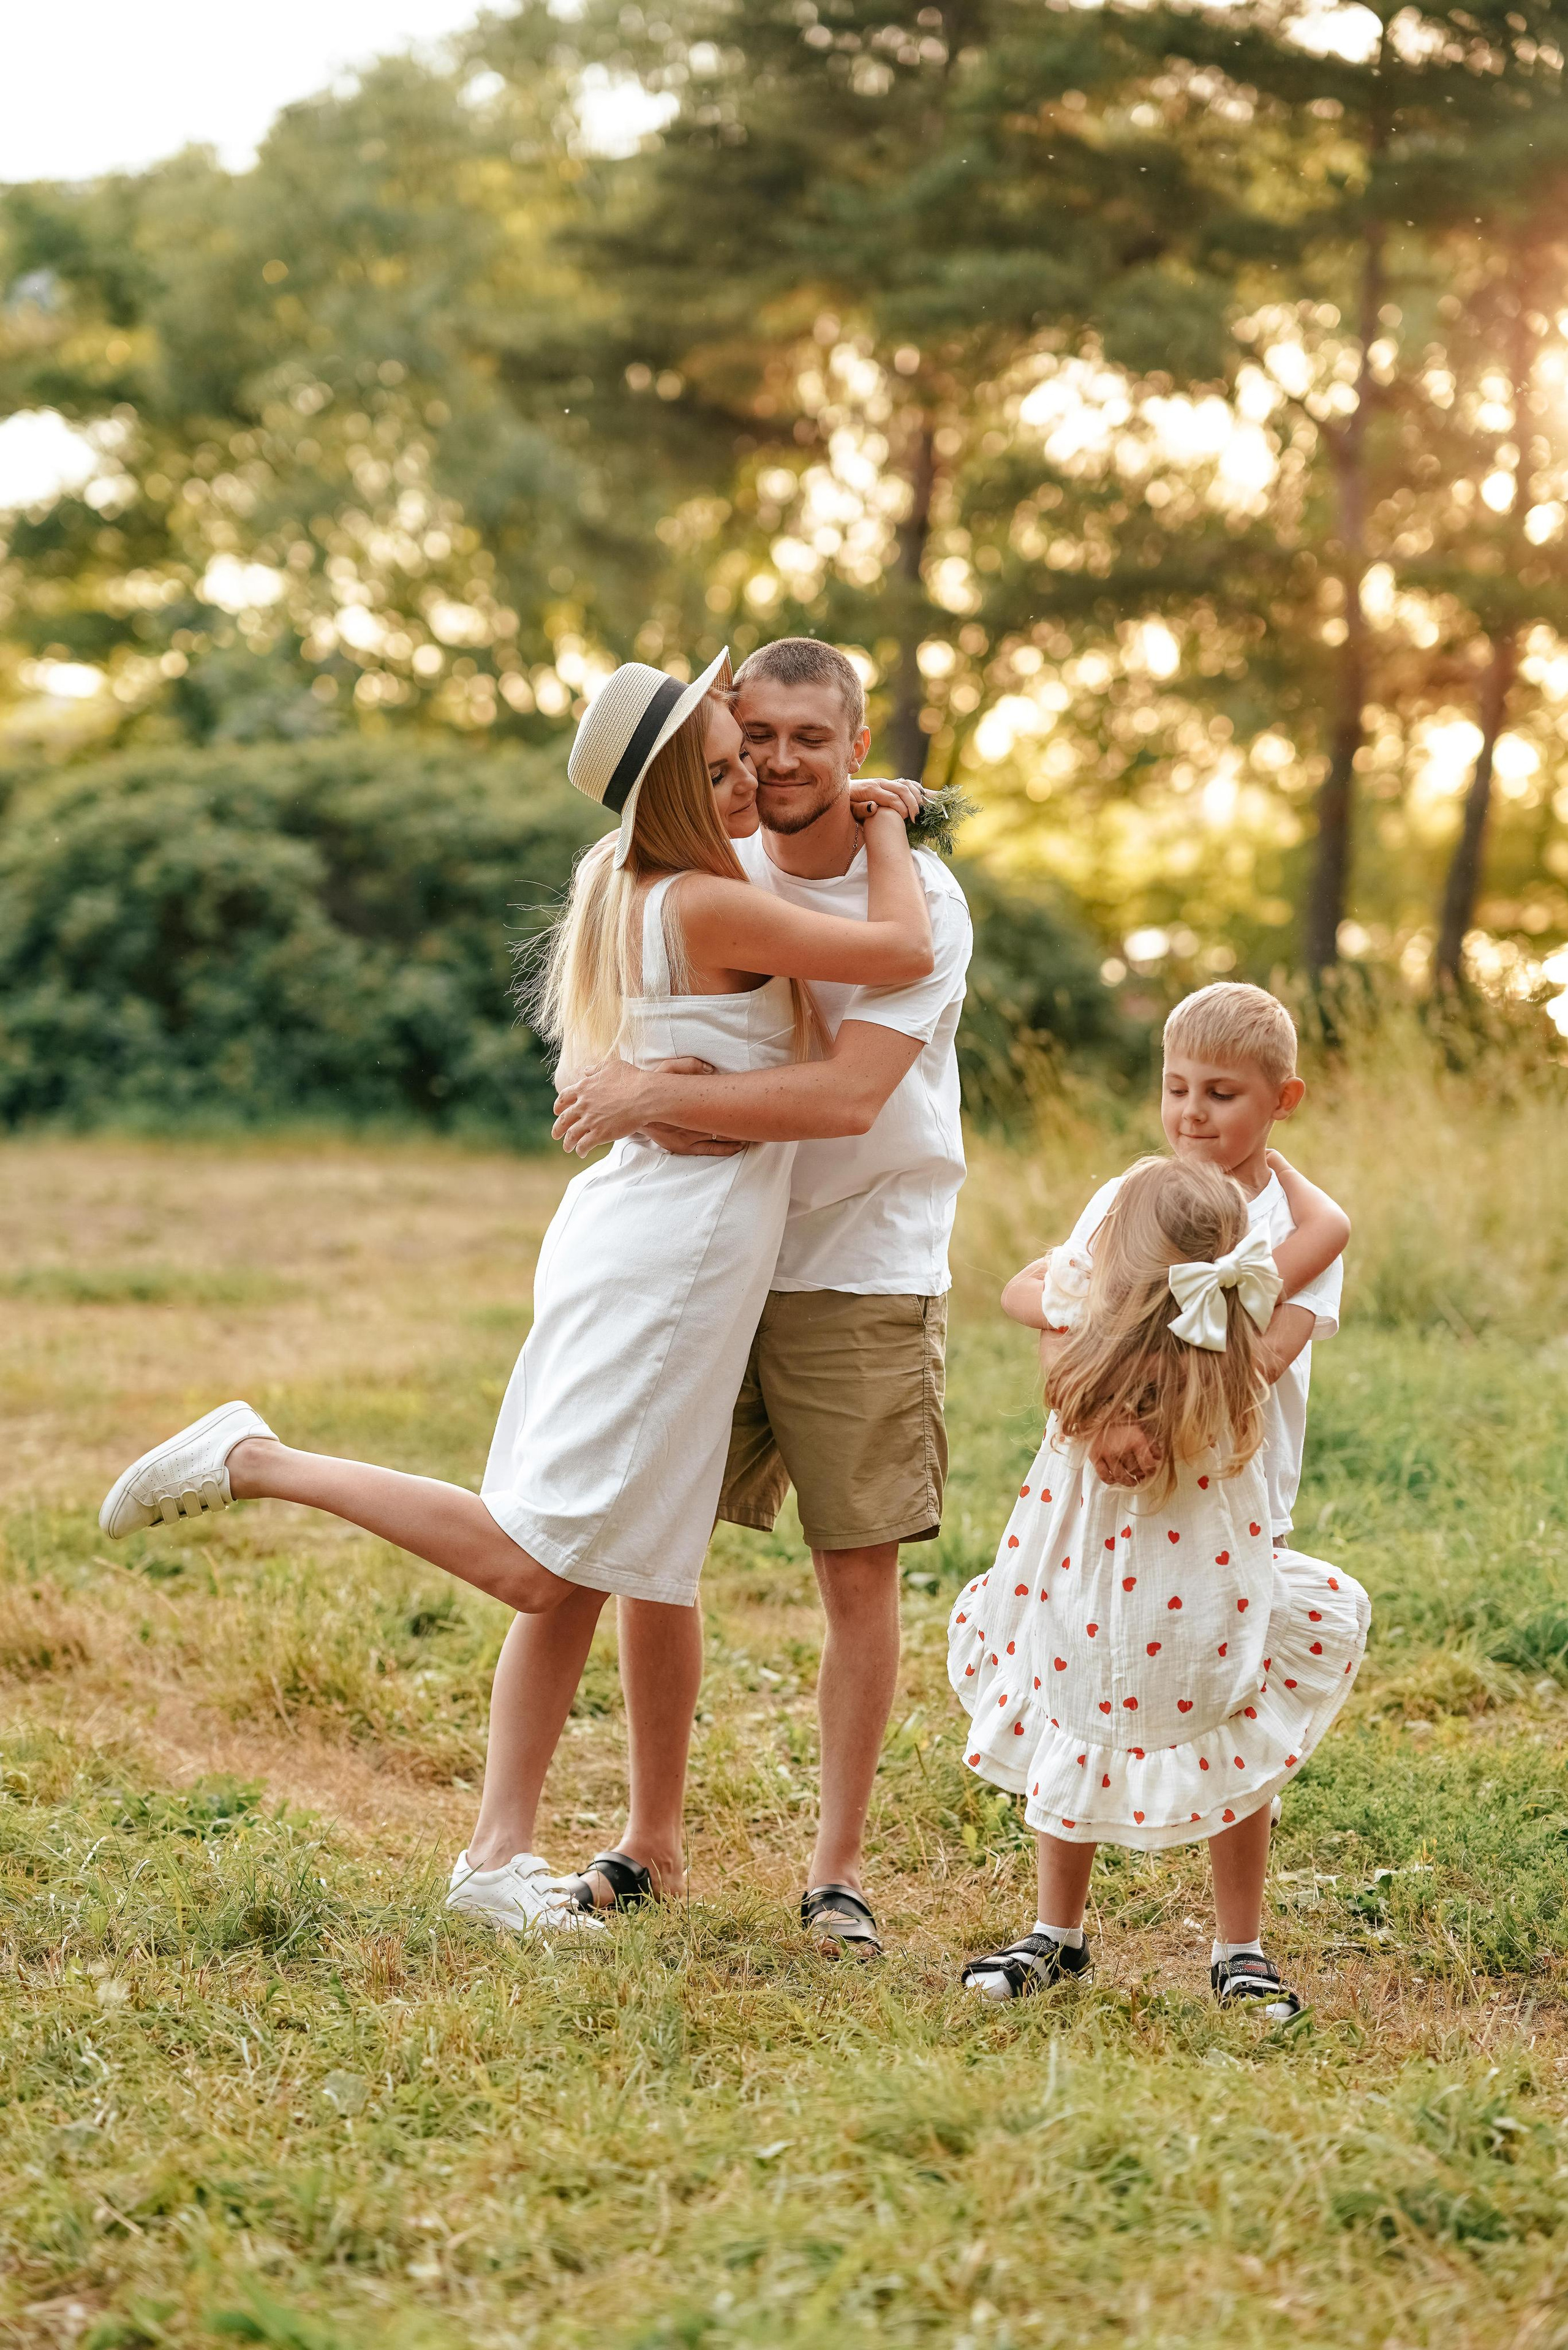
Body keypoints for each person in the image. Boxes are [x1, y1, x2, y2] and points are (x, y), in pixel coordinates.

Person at [96, 651, 933, 1935]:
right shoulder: (705, 904)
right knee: (544, 1561)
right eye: (720, 763)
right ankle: (258, 1458)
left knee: (626, 1557)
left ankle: (497, 1860)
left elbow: (768, 1047)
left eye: (755, 751)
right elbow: (898, 944)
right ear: (665, 793)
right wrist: (887, 820)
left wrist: (677, 1088)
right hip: (674, 1256)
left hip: (642, 1227)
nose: (750, 776)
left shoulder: (622, 878)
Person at [552, 636, 973, 1955]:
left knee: (853, 1569)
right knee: (649, 1547)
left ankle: (835, 1868)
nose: (780, 761)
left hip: (856, 1259)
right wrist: (638, 1097)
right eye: (759, 734)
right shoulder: (704, 865)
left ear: (857, 749)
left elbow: (847, 1095)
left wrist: (654, 1096)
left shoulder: (926, 900)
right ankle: (651, 1838)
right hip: (701, 1253)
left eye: (811, 737)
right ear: (724, 740)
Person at [952, 984, 1369, 2015]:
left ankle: (1239, 1942)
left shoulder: (1277, 1228)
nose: (1192, 1112)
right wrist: (1097, 1417)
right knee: (1071, 1679)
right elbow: (1046, 1298)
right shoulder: (1126, 1195)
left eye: (1225, 1093)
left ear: (1284, 1100)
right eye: (1176, 1087)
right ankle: (1057, 1928)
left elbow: (1257, 1366)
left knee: (1228, 1693)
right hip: (1096, 1508)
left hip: (1224, 1516)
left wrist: (1160, 1421)